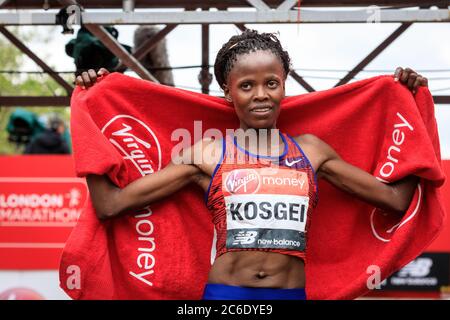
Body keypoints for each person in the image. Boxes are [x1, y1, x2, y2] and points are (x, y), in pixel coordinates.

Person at [75, 29, 428, 300]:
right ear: (228, 92)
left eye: (271, 83)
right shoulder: (208, 154)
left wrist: (412, 111)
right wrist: (90, 110)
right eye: (247, 85)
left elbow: (395, 200)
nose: (261, 94)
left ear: (283, 86)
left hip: (291, 294)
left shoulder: (312, 152)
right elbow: (111, 205)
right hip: (227, 296)